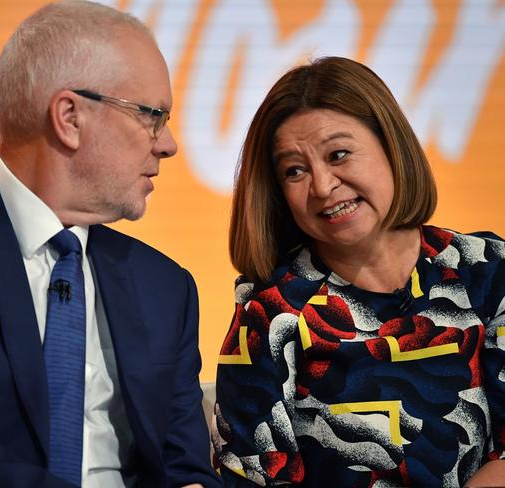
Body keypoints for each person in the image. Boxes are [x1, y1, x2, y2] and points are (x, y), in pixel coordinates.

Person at [0, 2, 221, 487]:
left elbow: (184, 468)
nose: (169, 143)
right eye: (152, 116)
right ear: (69, 116)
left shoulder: (165, 287)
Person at [212, 56, 505, 487]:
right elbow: (252, 477)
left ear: (392, 145)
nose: (322, 186)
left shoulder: (486, 267)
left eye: (339, 154)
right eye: (295, 170)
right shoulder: (270, 314)